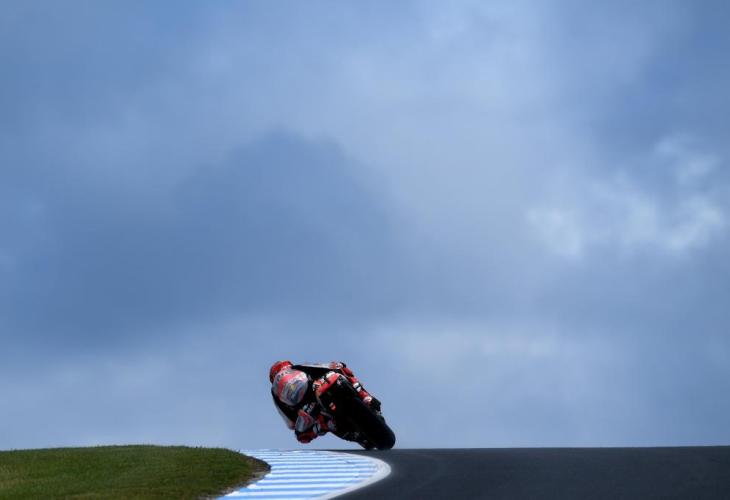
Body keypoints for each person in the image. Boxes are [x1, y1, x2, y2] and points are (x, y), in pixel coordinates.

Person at [269, 360, 380, 444]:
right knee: (307, 431)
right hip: (313, 406)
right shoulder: (278, 391)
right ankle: (330, 425)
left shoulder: (298, 368)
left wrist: (335, 367)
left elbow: (290, 423)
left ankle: (365, 396)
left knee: (342, 371)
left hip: (320, 387)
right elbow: (292, 423)